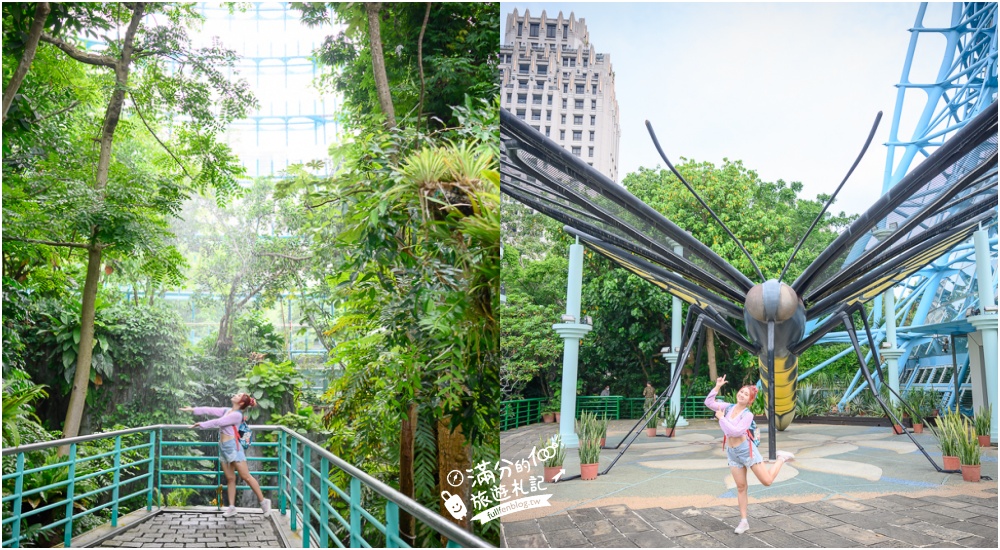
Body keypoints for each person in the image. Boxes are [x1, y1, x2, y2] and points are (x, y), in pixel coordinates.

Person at [704, 375, 794, 535]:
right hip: (732, 454)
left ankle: (781, 458)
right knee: (741, 487)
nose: (742, 395)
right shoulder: (728, 407)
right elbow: (709, 403)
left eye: (746, 394)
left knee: (767, 481)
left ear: (750, 400)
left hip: (746, 451)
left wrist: (722, 419)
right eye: (741, 392)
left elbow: (735, 431)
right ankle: (744, 521)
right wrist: (717, 386)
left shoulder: (747, 415)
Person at [179, 393, 271, 517]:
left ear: (241, 403)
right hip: (223, 447)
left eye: (238, 396)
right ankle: (232, 508)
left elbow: (219, 422)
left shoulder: (236, 415)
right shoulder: (227, 410)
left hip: (233, 447)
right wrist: (193, 409)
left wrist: (201, 424)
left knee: (246, 476)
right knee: (230, 478)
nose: (235, 395)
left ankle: (264, 502)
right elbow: (210, 410)